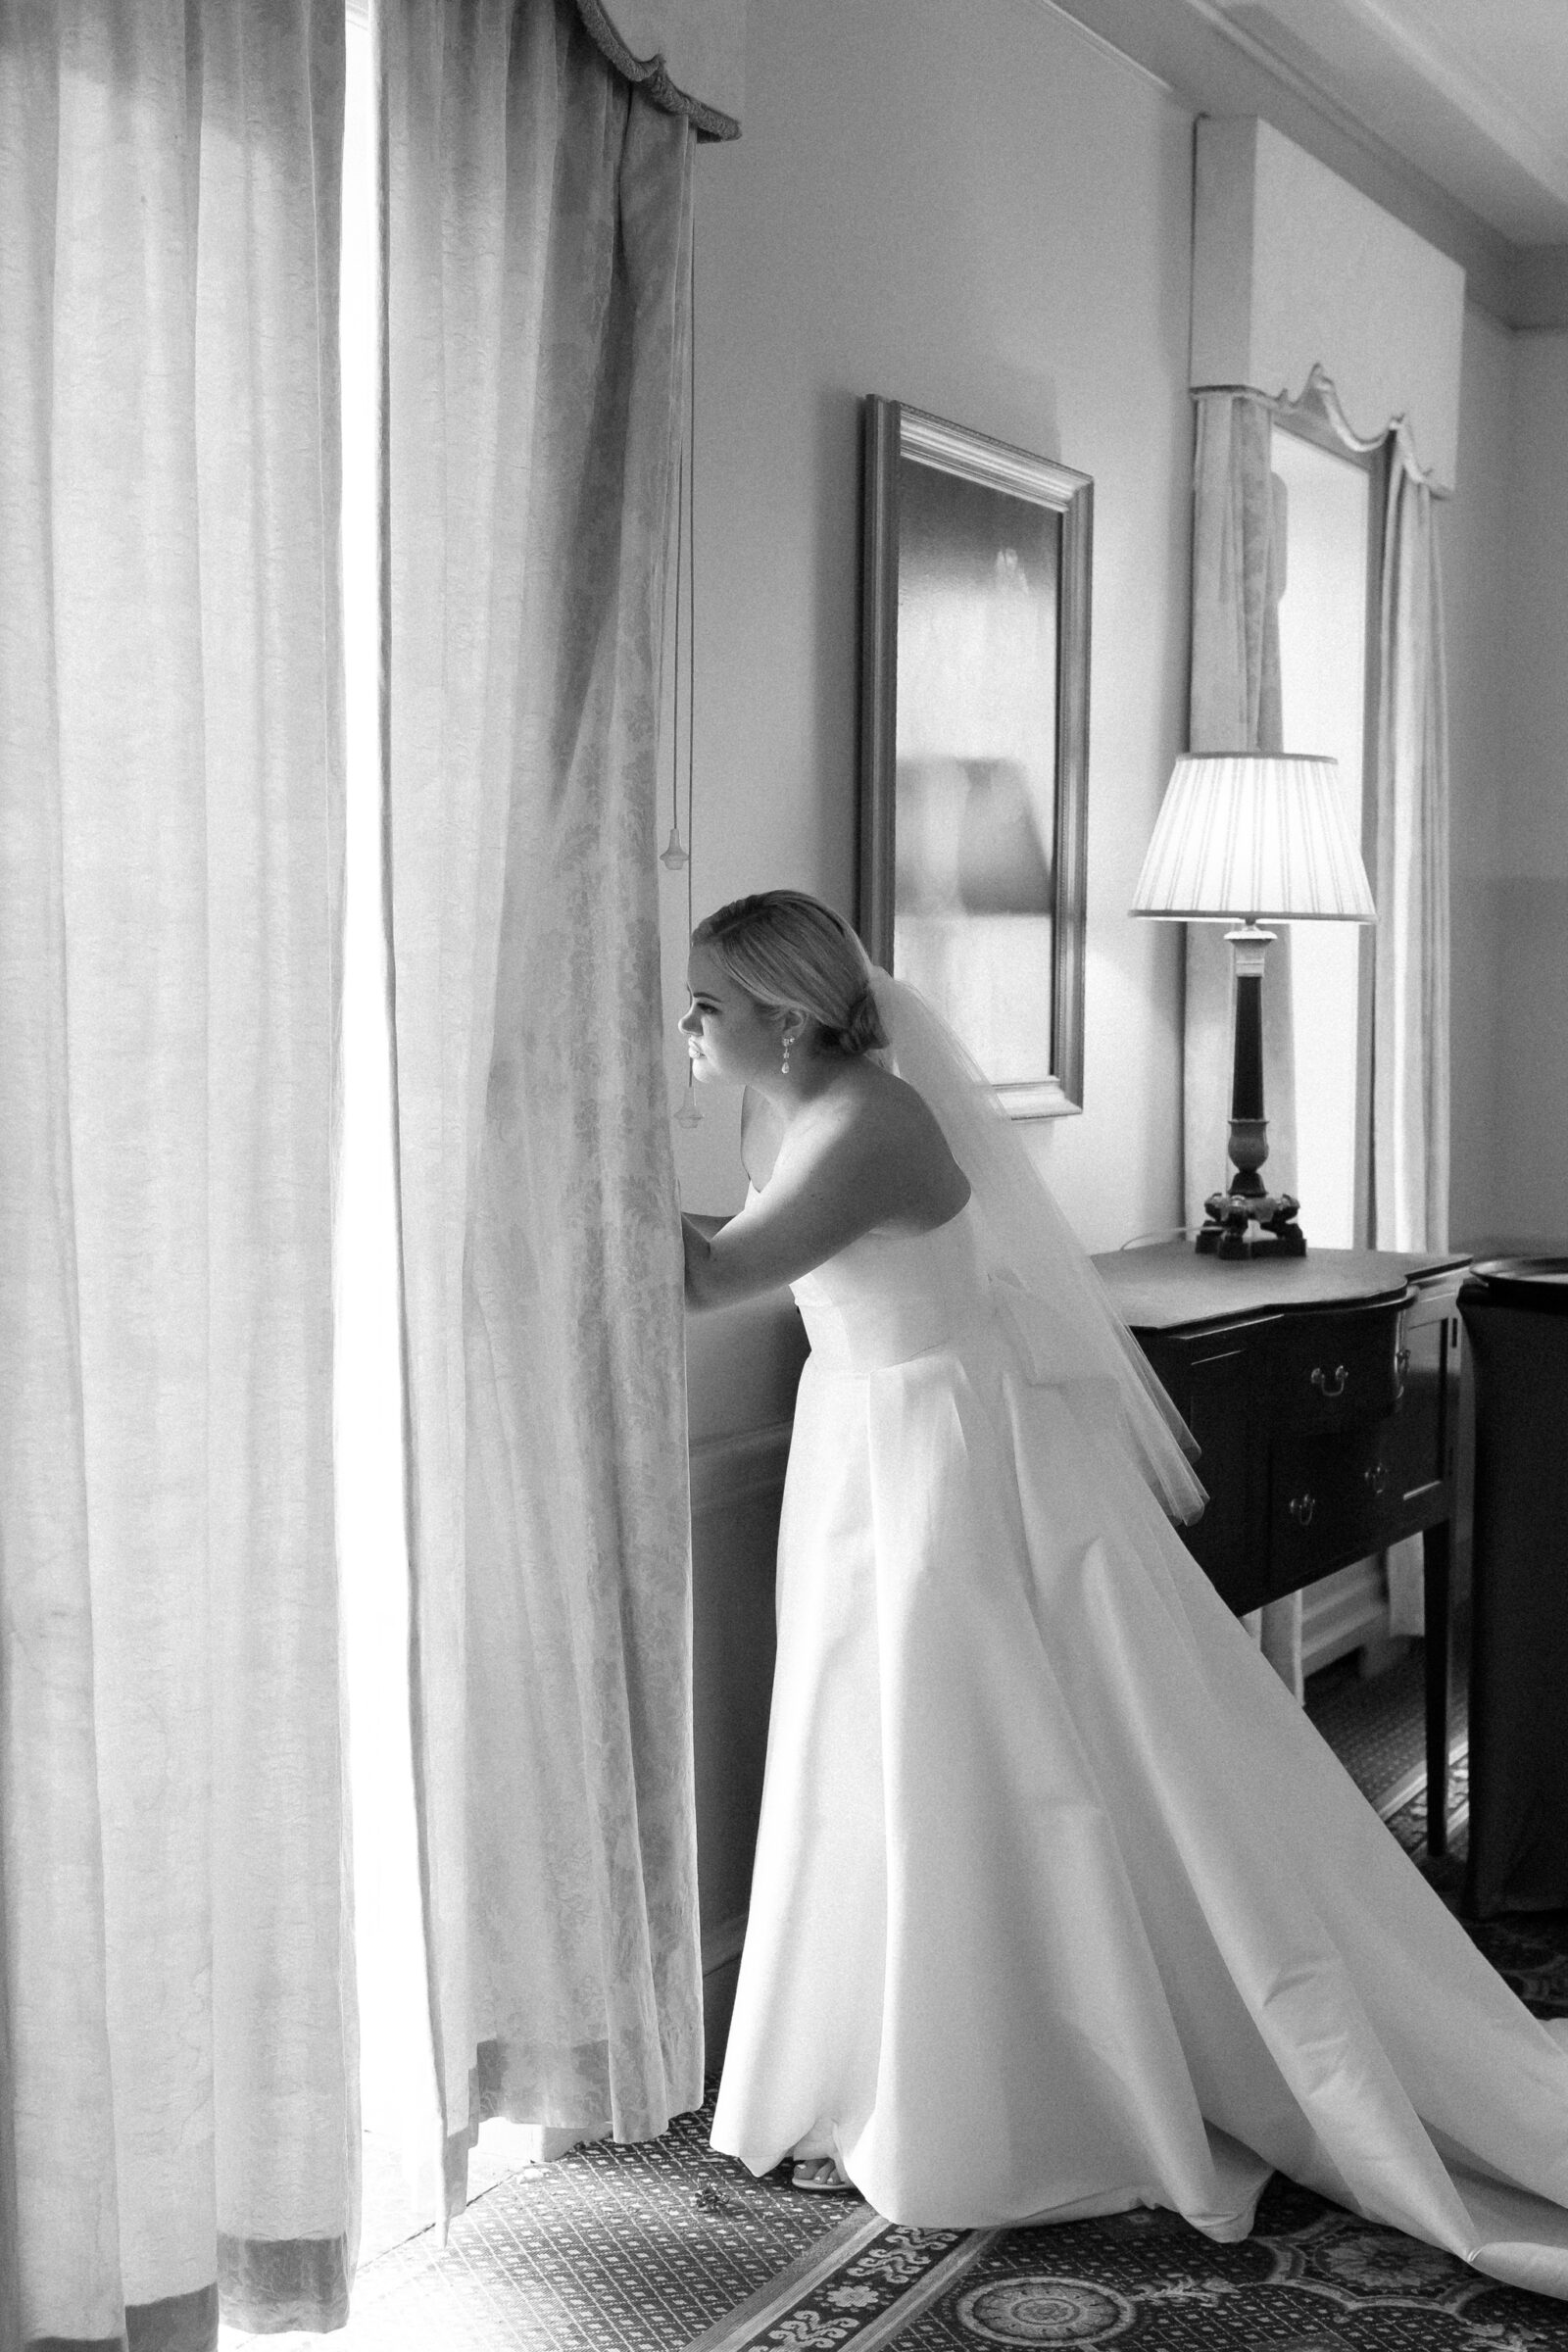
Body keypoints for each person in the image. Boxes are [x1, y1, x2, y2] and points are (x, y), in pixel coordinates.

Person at [677, 888, 1568, 2299]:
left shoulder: (863, 1122)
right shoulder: (818, 1109)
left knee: (968, 1743)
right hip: (879, 1440)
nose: (693, 1028)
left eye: (709, 1005)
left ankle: (1003, 2081)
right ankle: (883, 2048)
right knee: (887, 1739)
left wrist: (572, 1145)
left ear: (784, 1018)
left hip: (935, 1457)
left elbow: (715, 1273)